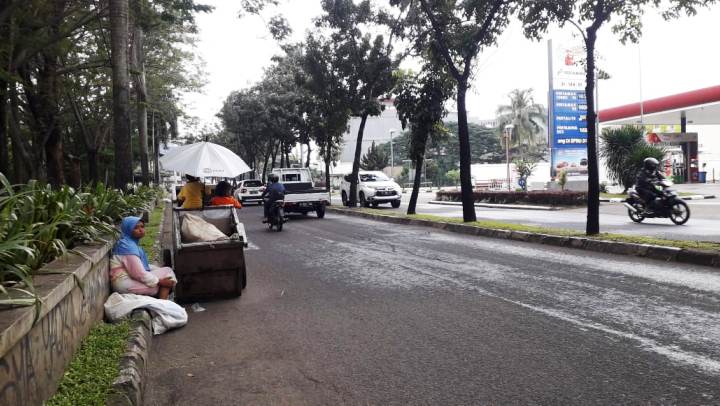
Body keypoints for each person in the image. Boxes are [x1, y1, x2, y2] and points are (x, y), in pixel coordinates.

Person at [110, 216, 177, 299]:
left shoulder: (128, 243)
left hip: (127, 279)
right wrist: (160, 282)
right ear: (128, 229)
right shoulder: (127, 247)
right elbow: (138, 273)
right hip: (124, 284)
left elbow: (142, 267)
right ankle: (162, 307)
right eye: (136, 228)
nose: (141, 230)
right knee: (161, 282)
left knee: (167, 271)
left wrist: (156, 271)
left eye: (142, 226)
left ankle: (162, 305)